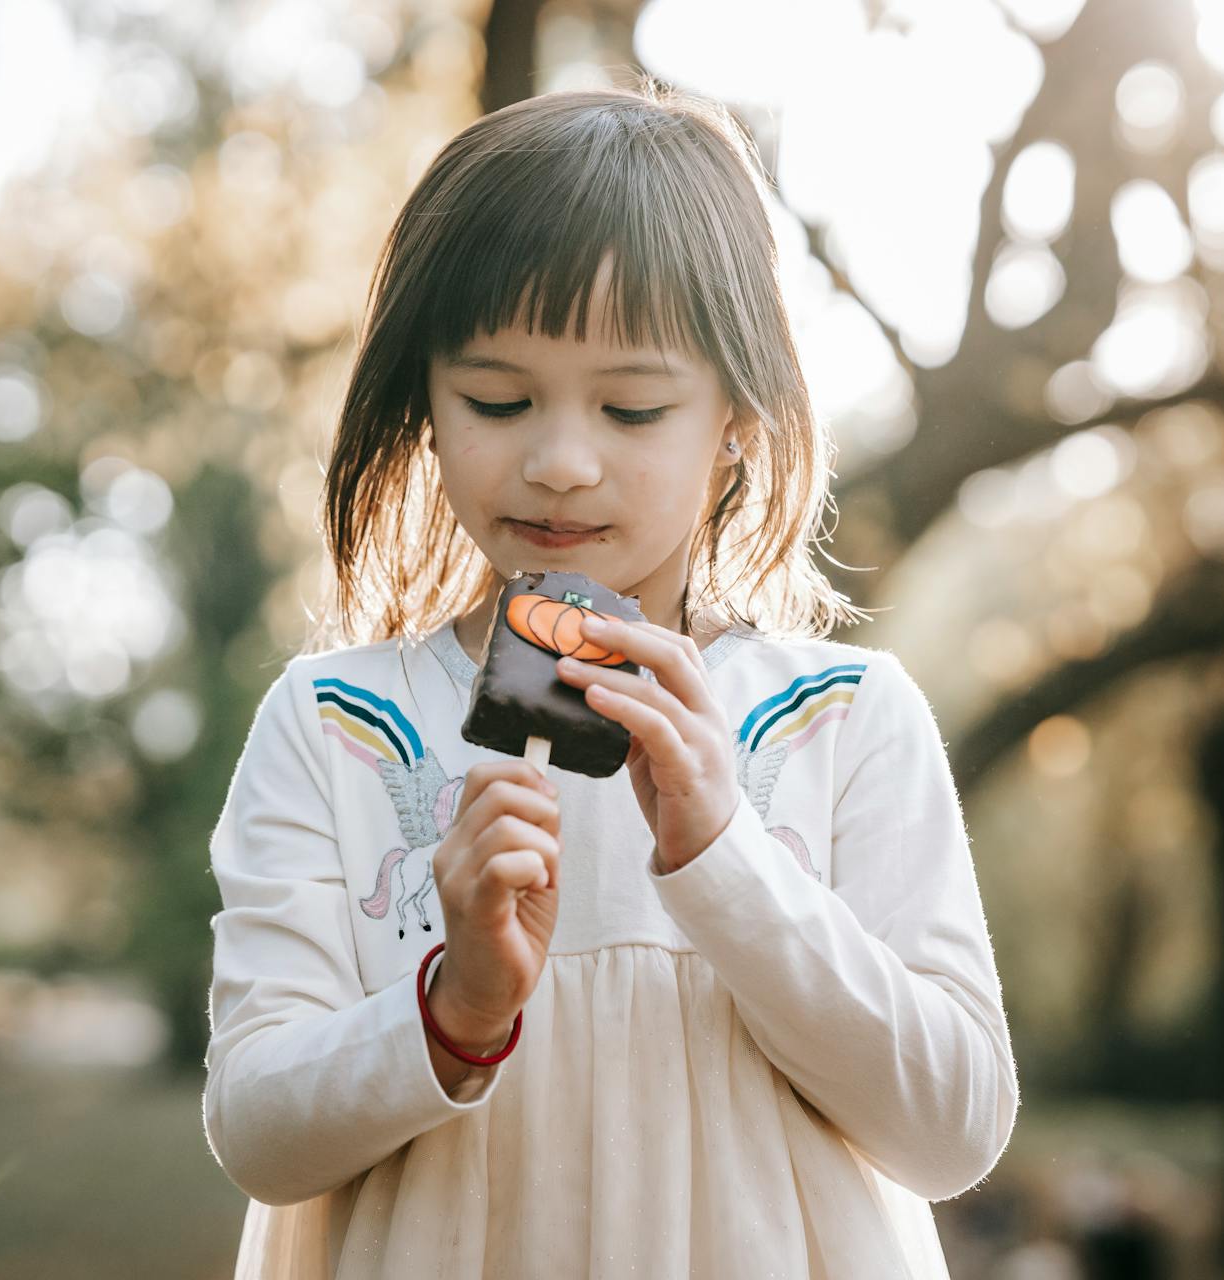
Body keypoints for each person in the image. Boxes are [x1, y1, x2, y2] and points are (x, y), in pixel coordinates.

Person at [202, 79, 1020, 1279]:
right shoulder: (341, 725)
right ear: (425, 403)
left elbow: (952, 1128)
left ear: (739, 416)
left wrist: (724, 856)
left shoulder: (845, 720)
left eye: (632, 406)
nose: (561, 461)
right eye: (496, 397)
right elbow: (258, 1133)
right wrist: (458, 1006)